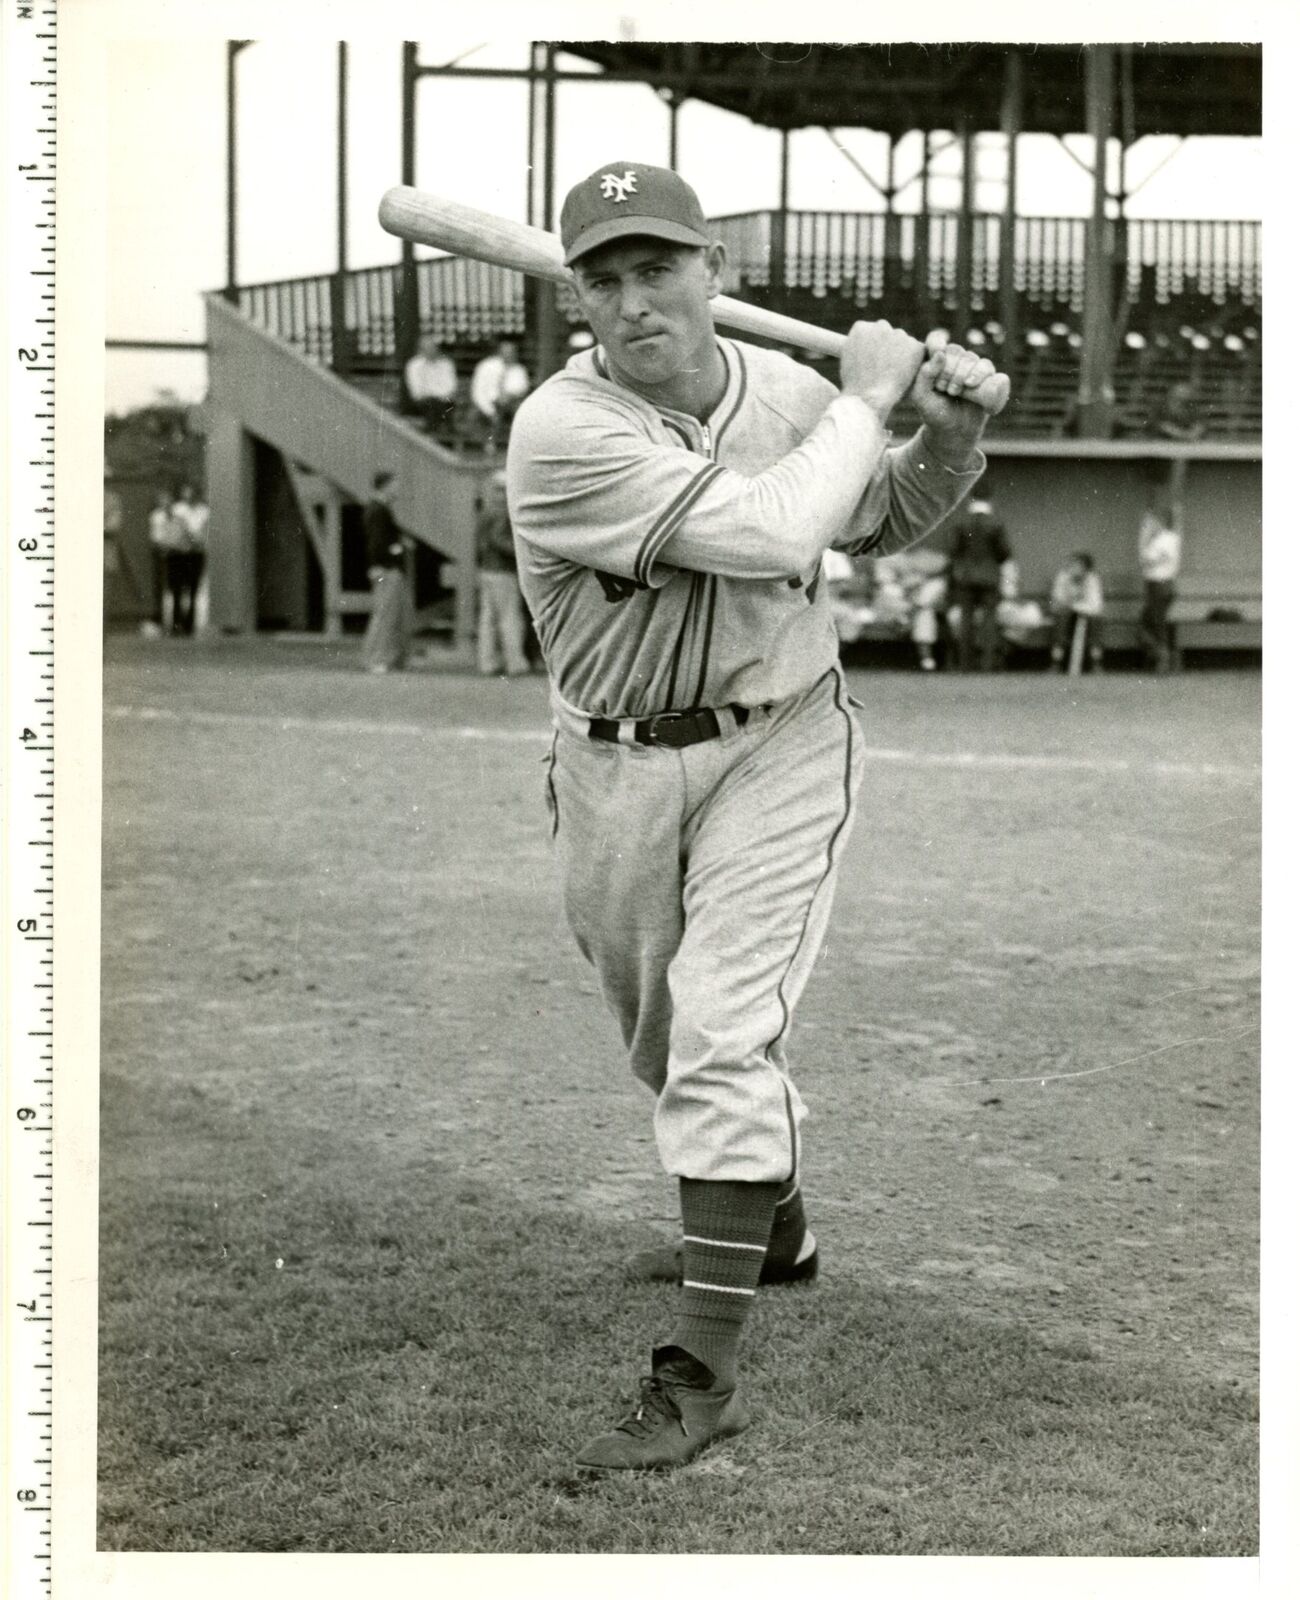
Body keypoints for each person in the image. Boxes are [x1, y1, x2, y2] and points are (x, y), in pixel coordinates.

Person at [506, 160, 1002, 1473]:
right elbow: (787, 519)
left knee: (724, 1034)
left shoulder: (790, 395)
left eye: (658, 268)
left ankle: (701, 1382)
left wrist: (941, 435)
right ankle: (772, 1230)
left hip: (780, 744)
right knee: (666, 1045)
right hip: (611, 765)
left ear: (712, 267)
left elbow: (874, 522)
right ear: (582, 302)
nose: (635, 301)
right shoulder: (563, 432)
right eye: (604, 280)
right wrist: (875, 399)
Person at [946, 488, 1012, 671]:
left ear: (970, 498)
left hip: (966, 577)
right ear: (990, 499)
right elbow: (1004, 552)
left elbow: (953, 550)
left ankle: (965, 664)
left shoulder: (961, 522)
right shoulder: (996, 522)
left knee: (966, 620)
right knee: (989, 621)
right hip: (989, 577)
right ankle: (987, 664)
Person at [475, 468, 530, 677]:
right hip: (503, 570)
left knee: (488, 619)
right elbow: (498, 540)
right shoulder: (502, 510)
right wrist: (520, 551)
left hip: (487, 569)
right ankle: (515, 662)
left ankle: (487, 662)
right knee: (509, 617)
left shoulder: (485, 511)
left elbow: (481, 542)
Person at [360, 471, 413, 673]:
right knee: (384, 615)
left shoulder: (381, 509)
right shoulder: (378, 510)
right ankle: (375, 659)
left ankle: (391, 658)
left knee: (395, 614)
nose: (397, 488)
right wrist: (397, 548)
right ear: (384, 486)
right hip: (386, 568)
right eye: (394, 484)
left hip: (388, 568)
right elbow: (377, 542)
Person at [1138, 493, 1182, 674]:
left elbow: (1146, 561)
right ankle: (1165, 657)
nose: (1148, 526)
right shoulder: (1166, 539)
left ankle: (1163, 658)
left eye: (1151, 523)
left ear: (1159, 522)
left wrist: (1144, 538)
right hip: (1159, 584)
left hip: (1160, 584)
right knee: (1150, 621)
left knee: (1156, 623)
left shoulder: (1164, 540)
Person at [1048, 551, 1105, 674]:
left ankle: (1096, 662)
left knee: (1096, 620)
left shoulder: (1092, 579)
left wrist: (1076, 606)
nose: (1074, 569)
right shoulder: (1062, 577)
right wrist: (1072, 604)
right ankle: (1056, 662)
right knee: (1061, 619)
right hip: (1066, 615)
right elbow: (1057, 601)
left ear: (1086, 568)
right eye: (1072, 565)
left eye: (1079, 566)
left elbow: (1096, 606)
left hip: (1086, 615)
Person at [470, 339, 531, 451]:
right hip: (487, 403)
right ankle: (489, 444)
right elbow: (478, 393)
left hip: (510, 402)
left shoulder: (519, 370)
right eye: (505, 352)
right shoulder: (486, 367)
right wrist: (490, 411)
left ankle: (521, 446)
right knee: (479, 415)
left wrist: (509, 395)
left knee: (519, 411)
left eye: (512, 352)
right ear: (499, 352)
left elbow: (522, 389)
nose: (509, 355)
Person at [168, 483, 209, 636]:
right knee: (177, 588)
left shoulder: (203, 511)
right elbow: (180, 527)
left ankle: (189, 624)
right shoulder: (178, 508)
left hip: (195, 552)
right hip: (180, 552)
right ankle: (176, 622)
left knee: (193, 587)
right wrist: (193, 537)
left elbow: (204, 529)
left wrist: (197, 539)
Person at [403, 335, 459, 441]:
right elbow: (417, 390)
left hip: (444, 401)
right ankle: (438, 434)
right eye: (428, 348)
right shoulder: (414, 365)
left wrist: (436, 394)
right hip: (423, 401)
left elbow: (451, 387)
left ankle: (436, 434)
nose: (432, 351)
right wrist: (437, 394)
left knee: (444, 405)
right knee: (433, 405)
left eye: (434, 347)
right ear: (421, 349)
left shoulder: (446, 364)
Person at [147, 488, 177, 633]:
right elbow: (155, 536)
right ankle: (159, 619)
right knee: (159, 586)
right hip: (160, 552)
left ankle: (175, 621)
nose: (166, 503)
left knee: (173, 586)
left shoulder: (176, 516)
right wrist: (162, 546)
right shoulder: (156, 516)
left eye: (168, 500)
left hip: (174, 552)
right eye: (163, 500)